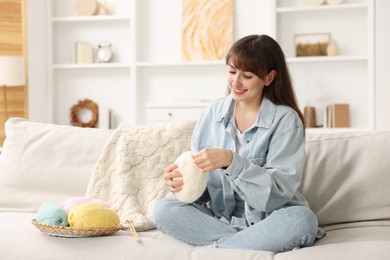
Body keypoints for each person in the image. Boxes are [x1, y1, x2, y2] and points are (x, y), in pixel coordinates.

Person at [153, 34, 325, 252]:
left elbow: (278, 194)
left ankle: (223, 249)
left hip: (270, 219)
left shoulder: (286, 121)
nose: (236, 82)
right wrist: (181, 182)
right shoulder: (211, 113)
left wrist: (231, 162)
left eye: (247, 76)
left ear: (269, 77)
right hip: (222, 220)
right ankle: (240, 244)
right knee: (164, 209)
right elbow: (202, 190)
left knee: (303, 220)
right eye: (232, 72)